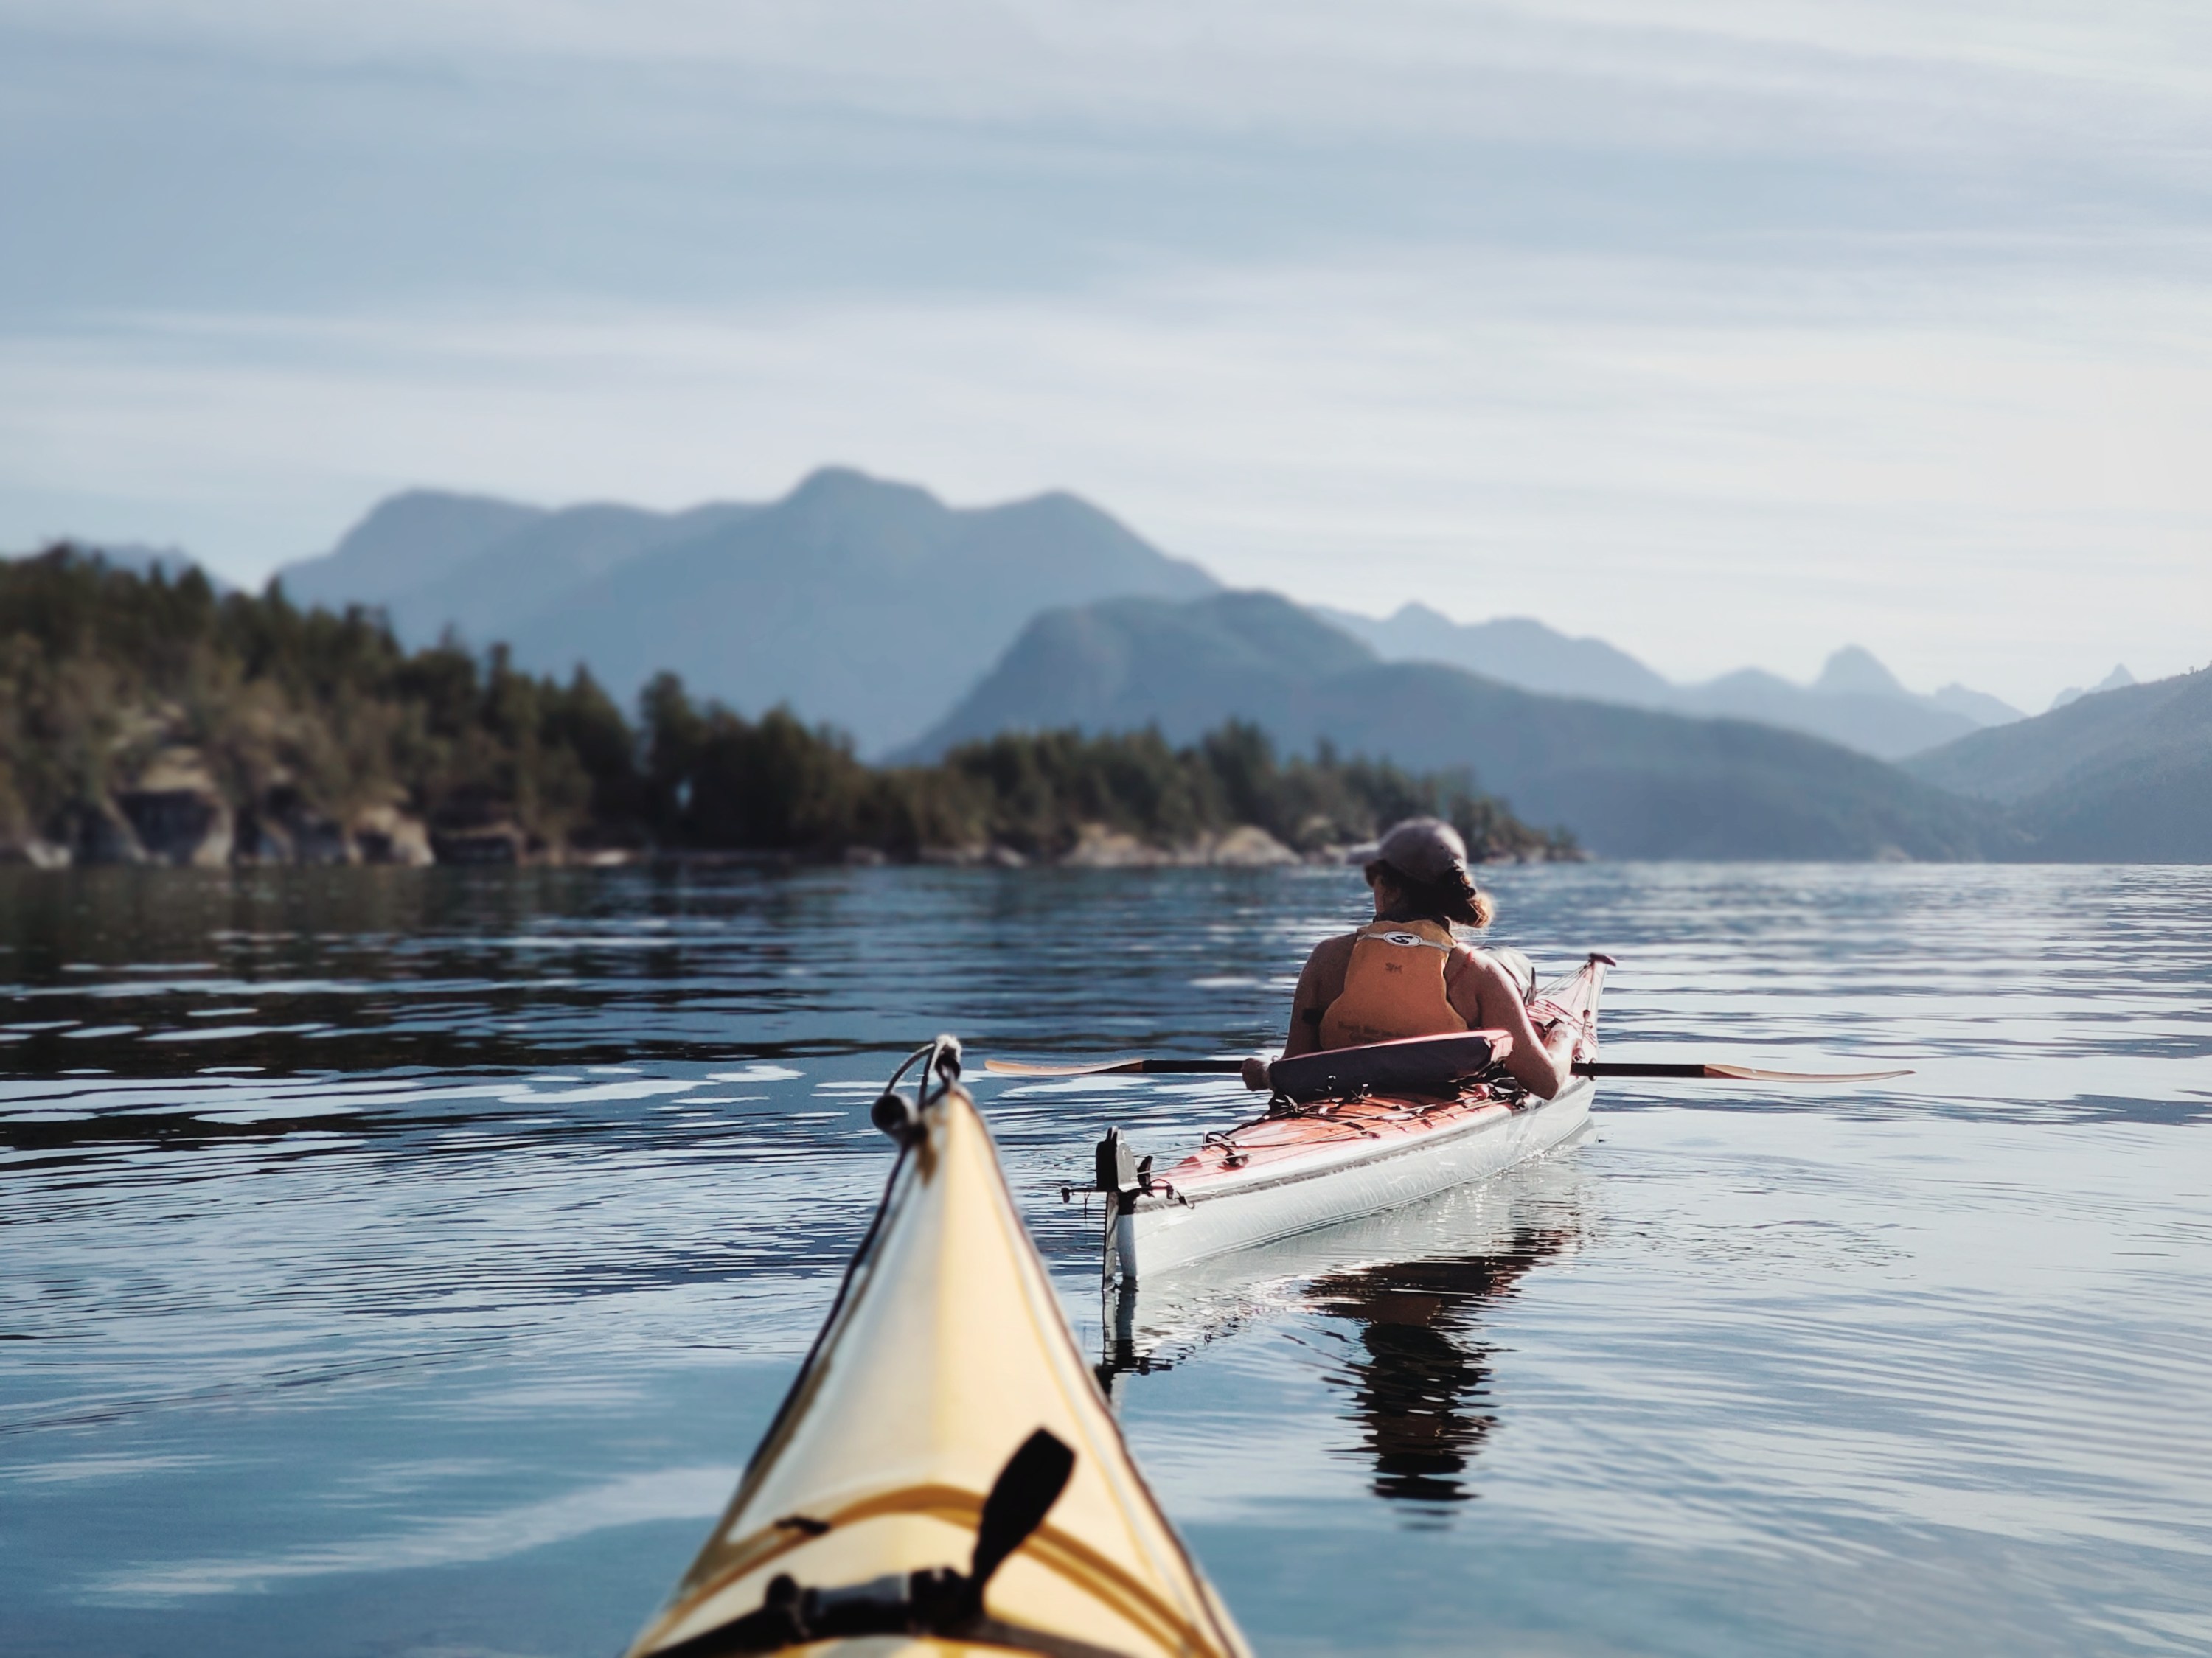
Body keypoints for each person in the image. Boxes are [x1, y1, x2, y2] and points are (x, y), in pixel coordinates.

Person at [1249, 817, 1583, 1099]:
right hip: (1431, 1105)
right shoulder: (1478, 974)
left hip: (1336, 1108)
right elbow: (1547, 1083)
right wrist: (1565, 1038)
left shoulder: (1327, 958)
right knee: (1510, 972)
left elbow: (1294, 1069)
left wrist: (1264, 1071)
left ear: (1388, 887)